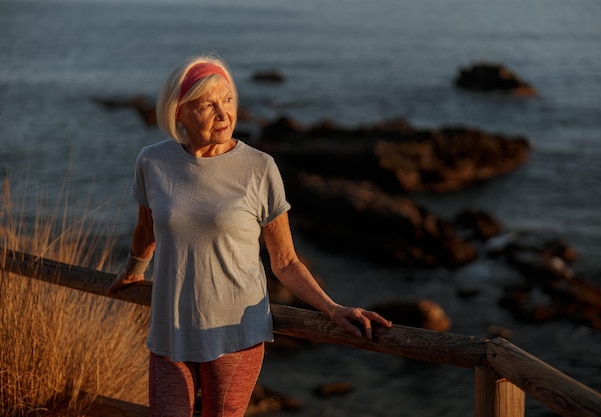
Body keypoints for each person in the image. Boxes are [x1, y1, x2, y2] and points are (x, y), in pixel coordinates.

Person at [107, 54, 392, 417]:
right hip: (170, 331)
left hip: (236, 334)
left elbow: (285, 261)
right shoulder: (152, 163)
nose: (223, 112)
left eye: (227, 100)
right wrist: (134, 269)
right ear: (179, 112)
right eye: (207, 104)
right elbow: (146, 229)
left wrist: (333, 308)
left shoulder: (259, 168)